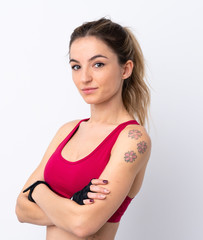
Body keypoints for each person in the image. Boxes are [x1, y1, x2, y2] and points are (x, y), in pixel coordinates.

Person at [15, 18, 151, 239]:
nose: (84, 78)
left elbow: (83, 224)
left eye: (98, 64)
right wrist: (73, 203)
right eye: (76, 66)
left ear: (125, 69)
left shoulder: (133, 139)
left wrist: (37, 190)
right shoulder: (68, 131)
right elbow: (21, 209)